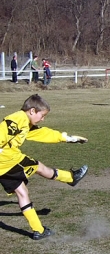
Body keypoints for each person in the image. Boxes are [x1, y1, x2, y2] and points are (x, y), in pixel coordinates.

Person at [0, 94, 88, 240]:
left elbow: (42, 133)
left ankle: (39, 230)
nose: (42, 119)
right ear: (32, 111)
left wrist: (66, 138)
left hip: (3, 166)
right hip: (7, 160)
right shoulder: (18, 118)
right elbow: (2, 131)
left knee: (22, 192)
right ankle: (71, 178)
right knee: (38, 167)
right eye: (42, 115)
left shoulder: (26, 122)